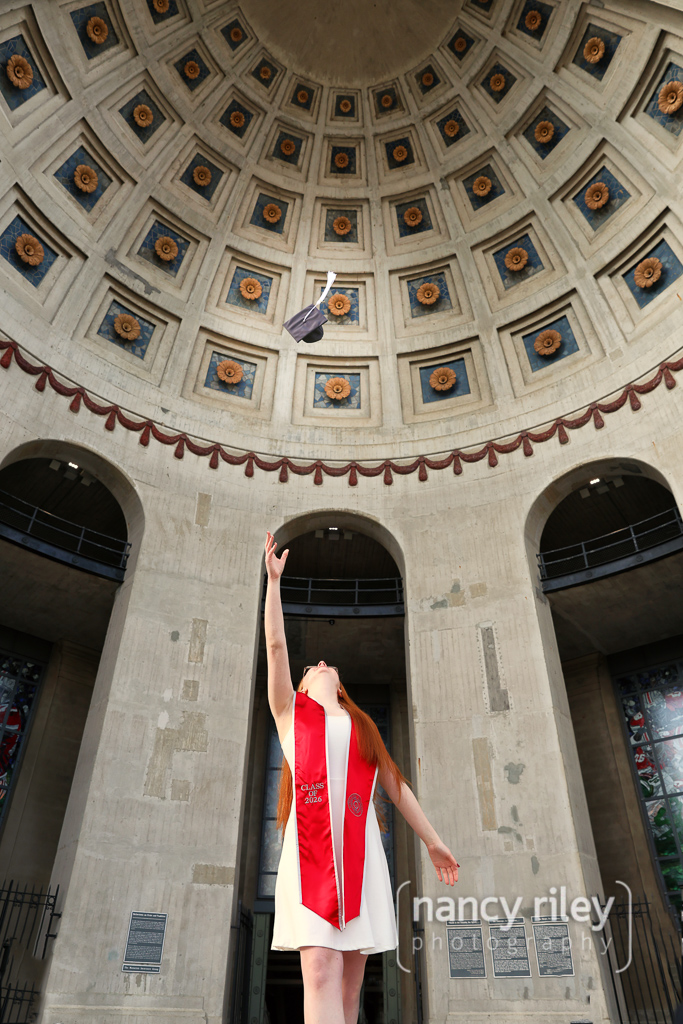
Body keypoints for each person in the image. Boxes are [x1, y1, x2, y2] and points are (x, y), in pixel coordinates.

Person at [263, 530, 460, 1024]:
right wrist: (273, 583)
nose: (324, 664)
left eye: (330, 665)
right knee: (322, 971)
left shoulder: (360, 727)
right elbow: (275, 645)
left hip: (362, 855)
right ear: (304, 684)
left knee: (353, 984)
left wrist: (433, 841)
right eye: (314, 666)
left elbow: (396, 788)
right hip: (311, 856)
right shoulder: (290, 714)